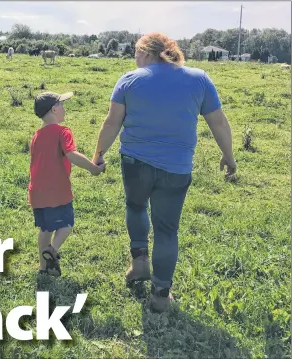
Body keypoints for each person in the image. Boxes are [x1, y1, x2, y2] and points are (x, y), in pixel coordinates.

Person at [92, 33, 237, 312]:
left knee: (135, 207)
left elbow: (112, 123)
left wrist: (99, 154)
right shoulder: (199, 79)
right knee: (167, 230)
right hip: (176, 168)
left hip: (135, 163)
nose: (134, 58)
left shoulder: (129, 80)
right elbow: (218, 122)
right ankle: (160, 295)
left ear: (146, 52)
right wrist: (229, 156)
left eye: (136, 52)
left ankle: (139, 263)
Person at [30, 92, 105, 277]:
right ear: (55, 109)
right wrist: (93, 168)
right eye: (62, 105)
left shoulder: (36, 135)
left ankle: (43, 268)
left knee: (45, 229)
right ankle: (53, 250)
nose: (64, 109)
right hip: (57, 191)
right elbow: (71, 154)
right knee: (67, 225)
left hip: (37, 192)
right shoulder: (63, 132)